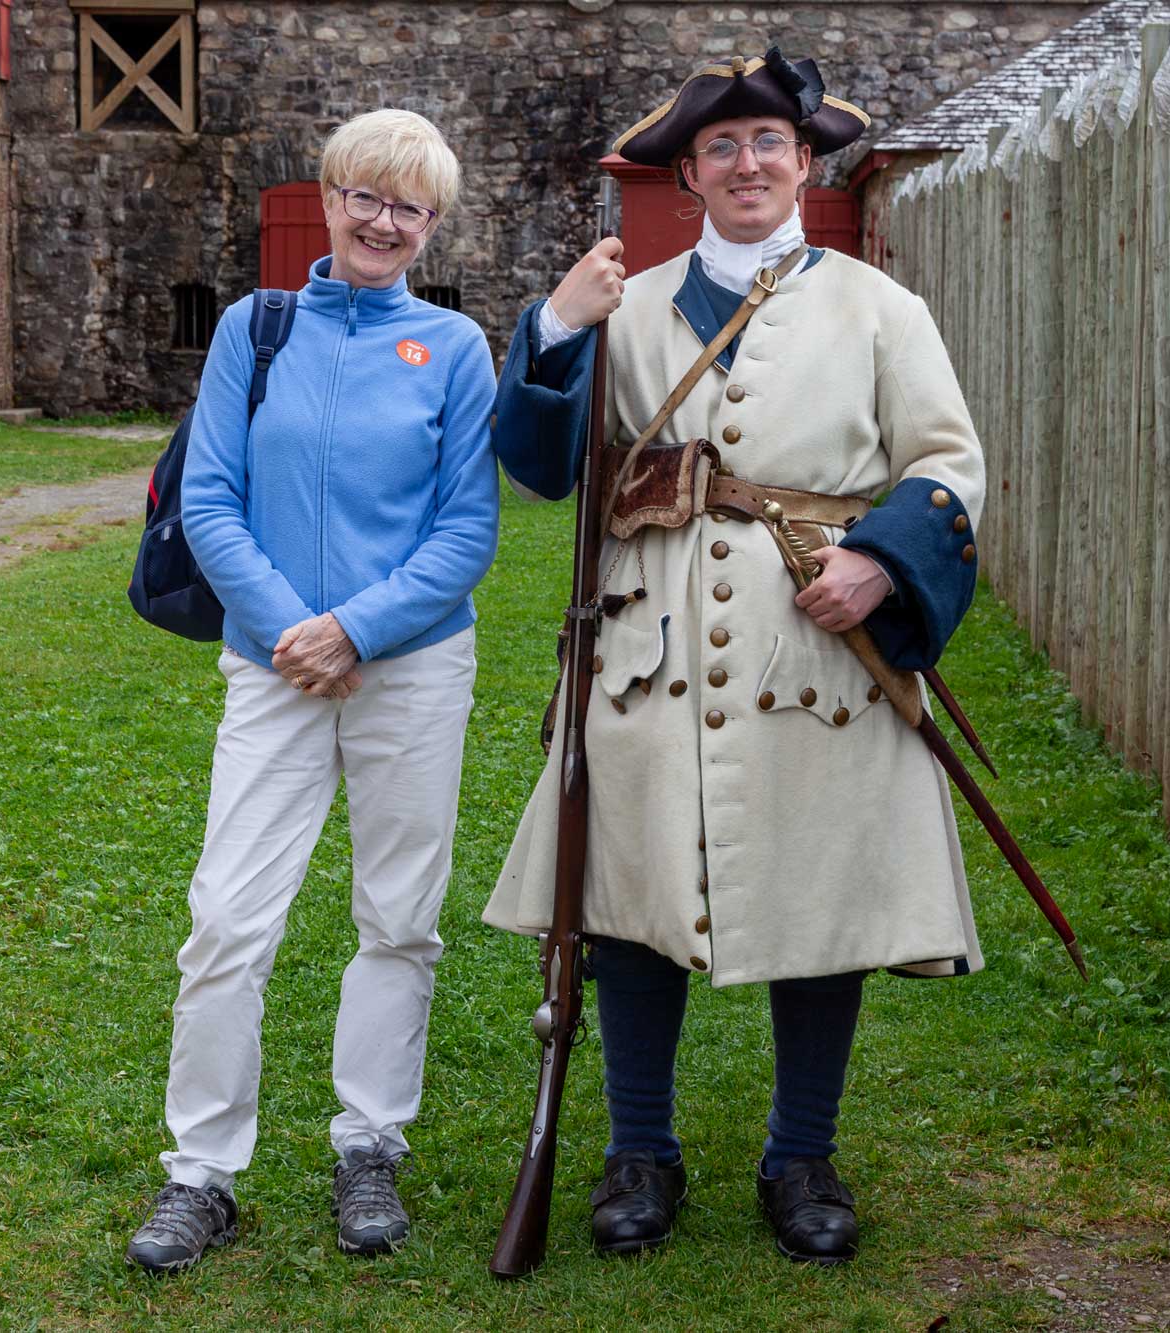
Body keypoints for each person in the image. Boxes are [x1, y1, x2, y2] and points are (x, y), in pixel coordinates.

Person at [483, 47, 987, 1265]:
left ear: (805, 164)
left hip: (814, 646)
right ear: (690, 173)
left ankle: (800, 1155)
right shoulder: (628, 305)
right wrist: (553, 327)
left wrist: (877, 558)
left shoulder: (879, 307)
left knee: (821, 895)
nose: (747, 163)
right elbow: (543, 468)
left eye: (770, 144)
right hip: (643, 641)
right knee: (628, 900)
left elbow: (947, 466)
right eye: (722, 148)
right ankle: (637, 1152)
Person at [125, 109, 499, 1273]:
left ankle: (367, 1144)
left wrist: (360, 629)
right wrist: (295, 629)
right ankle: (201, 1172)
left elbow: (466, 527)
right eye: (365, 197)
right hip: (273, 664)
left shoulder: (454, 348)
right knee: (228, 916)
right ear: (328, 199)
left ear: (430, 226)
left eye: (410, 207)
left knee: (398, 916)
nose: (384, 221)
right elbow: (213, 498)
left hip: (414, 665)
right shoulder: (256, 327)